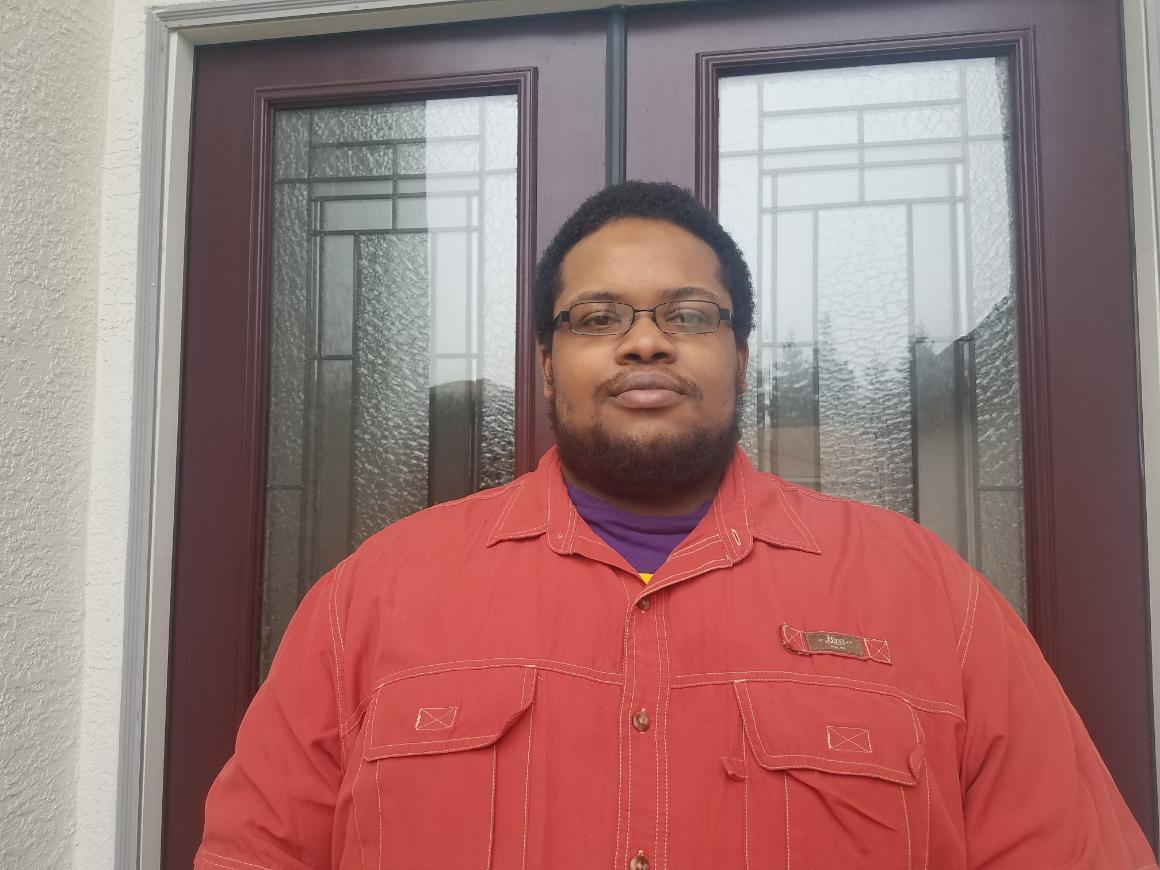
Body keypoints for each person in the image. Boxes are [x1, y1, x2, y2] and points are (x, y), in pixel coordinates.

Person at [196, 181, 1157, 869]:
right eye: (597, 317)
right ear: (546, 367)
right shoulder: (373, 598)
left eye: (689, 315)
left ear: (742, 357)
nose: (645, 341)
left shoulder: (930, 598)